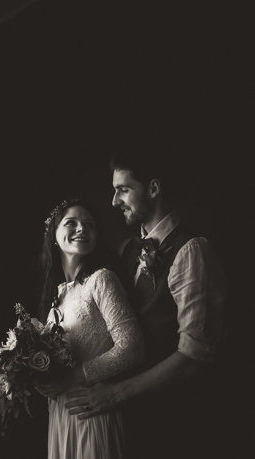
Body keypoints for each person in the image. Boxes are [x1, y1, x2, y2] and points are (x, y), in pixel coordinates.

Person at [64, 150, 228, 458]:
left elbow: (193, 356)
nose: (114, 202)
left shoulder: (192, 251)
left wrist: (117, 392)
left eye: (123, 190)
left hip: (176, 423)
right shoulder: (126, 249)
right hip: (129, 422)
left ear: (153, 189)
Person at [35, 198, 145, 458]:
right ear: (53, 234)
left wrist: (73, 378)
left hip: (92, 412)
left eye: (89, 224)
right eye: (71, 222)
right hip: (60, 416)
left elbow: (133, 347)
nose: (82, 229)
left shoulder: (101, 280)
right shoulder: (56, 297)